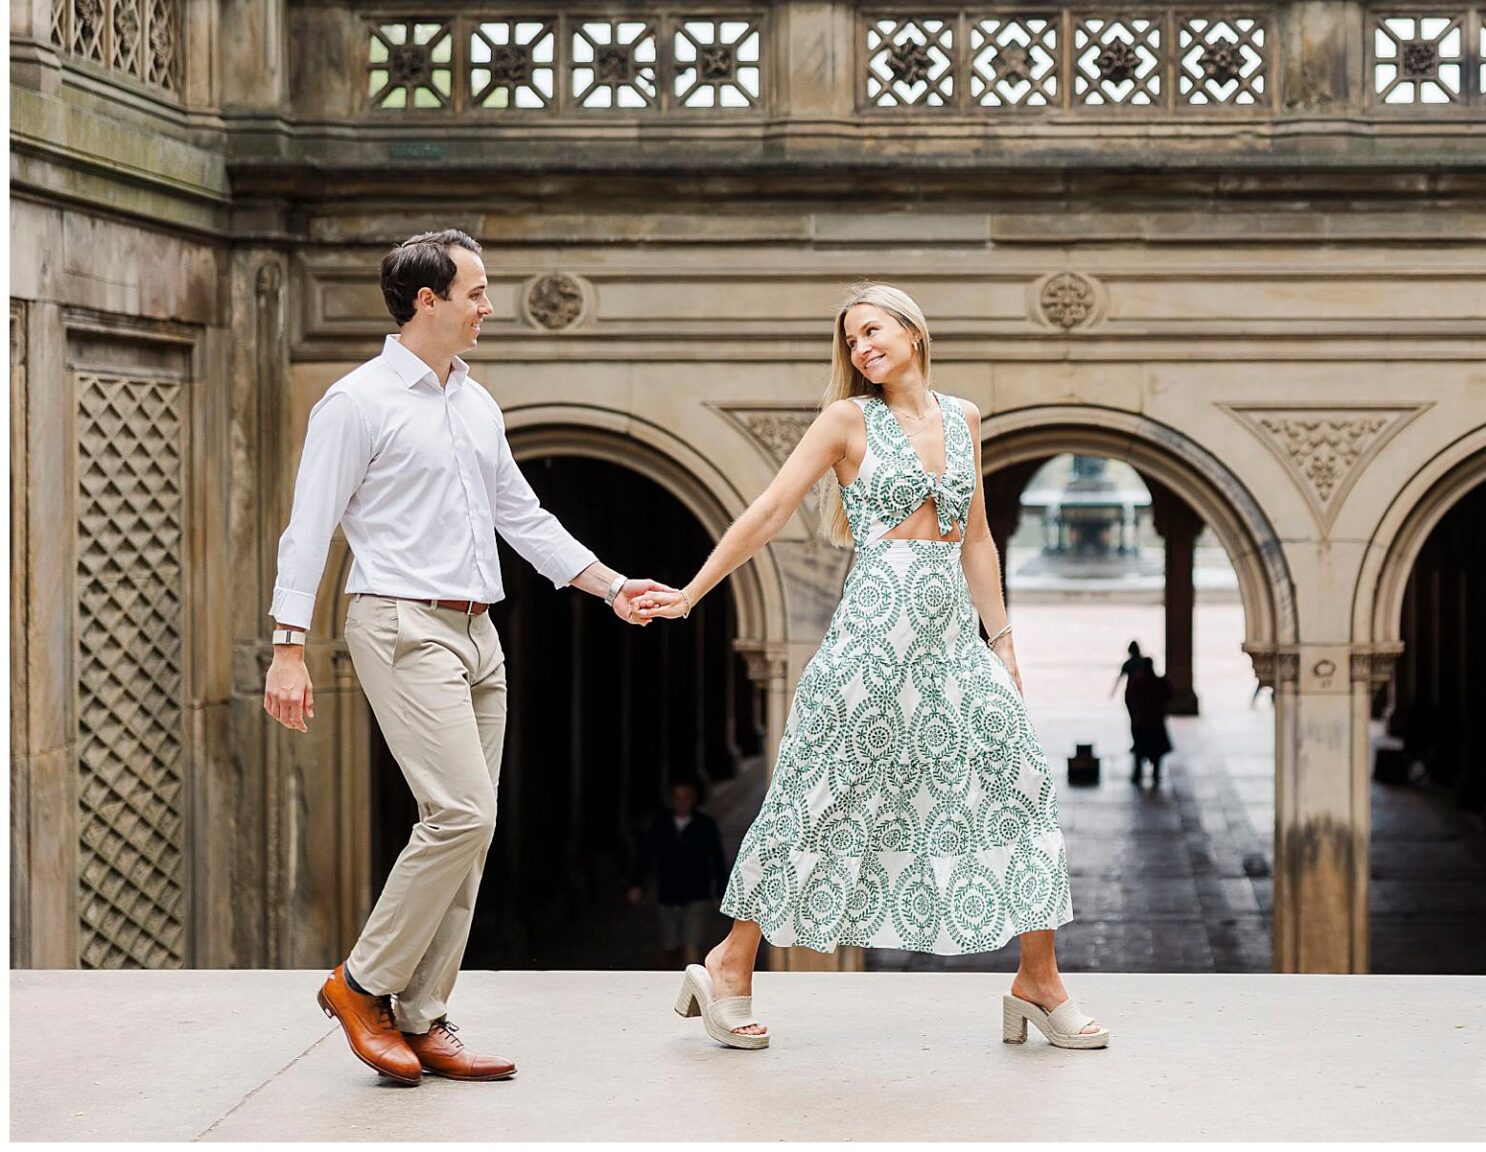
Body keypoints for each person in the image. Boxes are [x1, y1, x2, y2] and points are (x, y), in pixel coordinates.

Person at [633, 284, 1106, 1051]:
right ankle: (729, 961)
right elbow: (769, 511)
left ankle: (1038, 981)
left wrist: (1004, 639)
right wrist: (692, 592)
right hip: (871, 635)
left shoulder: (965, 419)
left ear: (912, 332)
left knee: (1019, 785)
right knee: (815, 797)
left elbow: (977, 538)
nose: (861, 349)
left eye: (872, 331)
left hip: (953, 638)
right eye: (851, 341)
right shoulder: (847, 420)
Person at [262, 228, 660, 1087]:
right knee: (461, 815)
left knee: (469, 833)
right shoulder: (357, 402)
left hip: (480, 632)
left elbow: (522, 516)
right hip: (401, 624)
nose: (489, 306)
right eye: (476, 292)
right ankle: (360, 983)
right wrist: (286, 647)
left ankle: (422, 1011)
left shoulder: (475, 402)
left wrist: (610, 585)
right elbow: (310, 526)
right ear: (426, 300)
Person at [628, 778, 730, 968]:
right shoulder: (660, 825)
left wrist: (721, 891)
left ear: (694, 799)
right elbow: (645, 856)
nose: (682, 802)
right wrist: (637, 884)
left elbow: (717, 859)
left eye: (686, 797)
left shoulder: (705, 825)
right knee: (670, 946)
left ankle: (691, 988)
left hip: (697, 892)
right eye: (677, 797)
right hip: (669, 893)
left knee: (693, 945)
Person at [1113, 642, 1173, 789]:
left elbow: (1131, 696)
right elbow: (1171, 695)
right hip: (1156, 721)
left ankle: (1137, 775)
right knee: (1157, 750)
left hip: (1142, 720)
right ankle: (1155, 775)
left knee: (1140, 748)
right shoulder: (1160, 682)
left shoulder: (1138, 682)